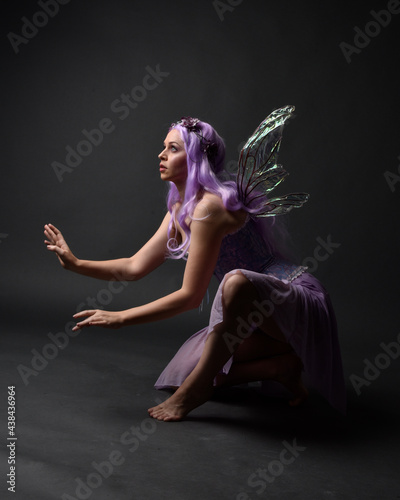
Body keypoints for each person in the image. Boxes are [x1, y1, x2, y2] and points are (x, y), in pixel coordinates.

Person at [44, 106, 346, 421]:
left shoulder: (210, 209)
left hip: (295, 303)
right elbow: (133, 267)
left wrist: (121, 317)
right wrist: (76, 264)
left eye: (172, 149)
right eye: (163, 147)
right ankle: (279, 367)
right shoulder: (181, 209)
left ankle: (194, 393)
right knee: (183, 371)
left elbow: (190, 297)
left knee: (235, 282)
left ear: (194, 159)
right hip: (255, 316)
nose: (160, 155)